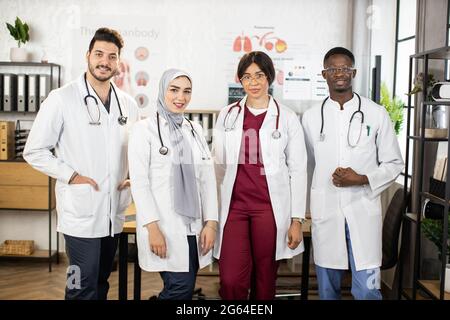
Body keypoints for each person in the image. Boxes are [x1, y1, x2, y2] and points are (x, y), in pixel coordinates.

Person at [23, 28, 139, 300]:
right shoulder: (62, 99)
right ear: (88, 56)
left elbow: (133, 150)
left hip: (113, 214)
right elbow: (34, 150)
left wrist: (135, 176)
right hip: (80, 216)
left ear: (118, 63)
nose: (104, 61)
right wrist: (71, 176)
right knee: (79, 287)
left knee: (100, 283)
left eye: (112, 57)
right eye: (99, 54)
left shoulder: (128, 105)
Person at [301, 47, 404, 300]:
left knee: (367, 290)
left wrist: (362, 179)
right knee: (327, 291)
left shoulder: (376, 113)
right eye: (333, 69)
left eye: (345, 68)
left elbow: (394, 163)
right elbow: (306, 166)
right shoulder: (311, 118)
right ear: (324, 74)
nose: (340, 73)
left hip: (362, 209)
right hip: (327, 211)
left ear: (354, 72)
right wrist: (304, 207)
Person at [213, 51, 307, 300]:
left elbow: (298, 170)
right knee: (231, 280)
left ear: (270, 77)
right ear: (240, 80)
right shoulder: (227, 115)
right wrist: (211, 214)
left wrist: (297, 219)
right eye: (246, 76)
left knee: (265, 279)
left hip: (270, 208)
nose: (253, 82)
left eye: (259, 75)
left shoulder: (287, 118)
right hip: (235, 207)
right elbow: (218, 166)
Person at [128, 69, 218, 300]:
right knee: (179, 289)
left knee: (180, 289)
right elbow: (139, 183)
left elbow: (206, 179)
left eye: (187, 91)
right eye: (174, 90)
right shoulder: (143, 130)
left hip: (193, 227)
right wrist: (153, 227)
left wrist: (211, 223)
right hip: (164, 226)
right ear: (163, 90)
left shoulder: (195, 130)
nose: (181, 97)